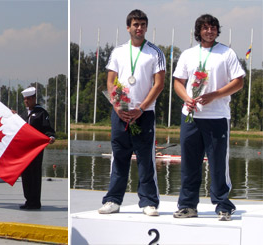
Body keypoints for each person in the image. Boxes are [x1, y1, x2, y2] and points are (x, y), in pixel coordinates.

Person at [172, 14, 245, 221]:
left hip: (217, 117)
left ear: (217, 31)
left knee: (218, 164)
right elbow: (178, 82)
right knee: (190, 164)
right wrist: (187, 98)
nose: (210, 31)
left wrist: (215, 95)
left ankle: (223, 205)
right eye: (205, 28)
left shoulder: (226, 53)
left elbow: (238, 82)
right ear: (199, 31)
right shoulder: (188, 54)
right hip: (191, 117)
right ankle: (187, 206)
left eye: (213, 28)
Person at [98, 9, 165, 216]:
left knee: (146, 159)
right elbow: (111, 81)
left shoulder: (155, 52)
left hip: (144, 113)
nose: (139, 28)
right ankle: (113, 200)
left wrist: (142, 108)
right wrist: (118, 107)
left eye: (143, 24)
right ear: (128, 27)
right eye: (136, 24)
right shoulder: (118, 51)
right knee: (119, 156)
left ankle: (148, 202)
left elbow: (159, 84)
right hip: (120, 113)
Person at [19, 87, 55, 210]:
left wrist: (50, 136)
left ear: (34, 98)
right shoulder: (23, 114)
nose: (26, 101)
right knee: (26, 175)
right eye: (24, 99)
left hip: (35, 149)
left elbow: (47, 129)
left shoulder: (41, 113)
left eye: (28, 99)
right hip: (24, 149)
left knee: (34, 174)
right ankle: (28, 199)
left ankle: (35, 201)